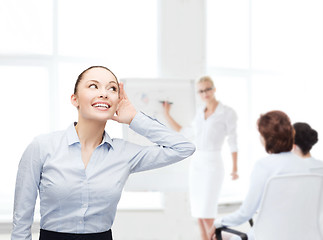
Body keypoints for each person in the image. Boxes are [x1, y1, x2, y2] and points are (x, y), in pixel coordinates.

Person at [11, 66, 196, 240]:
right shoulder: (42, 146)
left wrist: (134, 118)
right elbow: (21, 219)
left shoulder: (124, 153)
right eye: (93, 86)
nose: (103, 93)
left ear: (117, 101)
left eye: (112, 89)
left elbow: (184, 147)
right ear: (74, 99)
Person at [208, 110, 323, 240]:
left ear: (266, 138)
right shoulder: (306, 168)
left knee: (217, 235)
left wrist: (218, 222)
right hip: (302, 236)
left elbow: (245, 213)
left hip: (267, 236)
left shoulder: (263, 166)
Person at [162, 76, 238, 240]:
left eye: (208, 89)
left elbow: (233, 141)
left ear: (214, 89)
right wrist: (167, 115)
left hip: (213, 164)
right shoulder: (199, 112)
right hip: (197, 164)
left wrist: (235, 168)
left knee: (208, 212)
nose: (205, 93)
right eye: (201, 91)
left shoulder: (227, 112)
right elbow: (186, 132)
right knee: (199, 213)